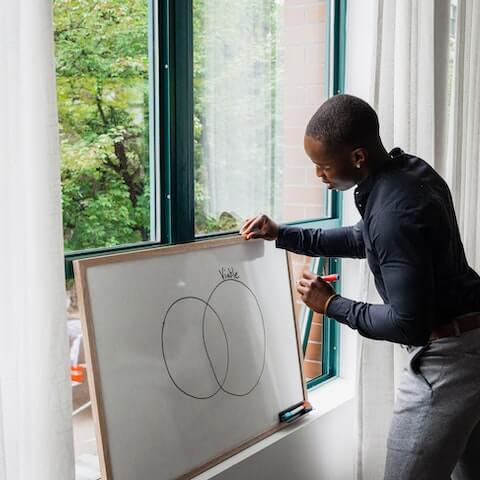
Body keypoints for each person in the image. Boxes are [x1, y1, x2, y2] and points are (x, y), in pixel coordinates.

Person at [240, 94, 480, 480]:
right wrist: (281, 234)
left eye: (323, 166)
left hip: (449, 362)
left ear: (357, 157)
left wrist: (331, 304)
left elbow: (408, 324)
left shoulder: (391, 212)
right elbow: (363, 238)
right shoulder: (410, 172)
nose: (319, 175)